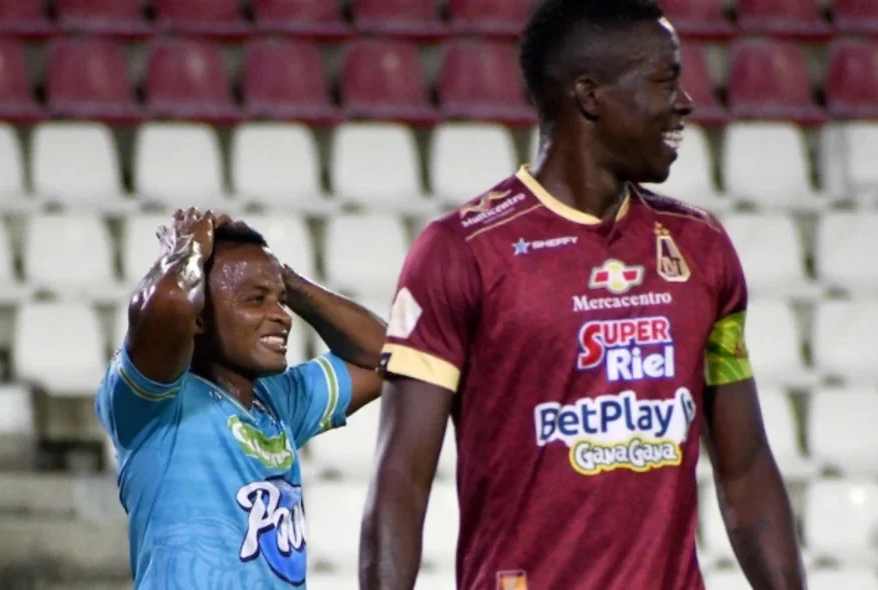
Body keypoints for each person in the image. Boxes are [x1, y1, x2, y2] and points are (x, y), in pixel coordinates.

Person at [359, 1, 806, 589]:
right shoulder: (461, 251)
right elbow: (400, 483)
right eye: (665, 80)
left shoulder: (702, 249)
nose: (685, 102)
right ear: (590, 95)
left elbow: (746, 472)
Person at [97, 208, 387, 588]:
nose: (281, 316)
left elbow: (388, 355)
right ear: (199, 317)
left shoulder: (281, 401)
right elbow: (169, 304)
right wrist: (187, 250)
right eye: (255, 300)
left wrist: (291, 284)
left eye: (279, 301)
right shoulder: (154, 406)